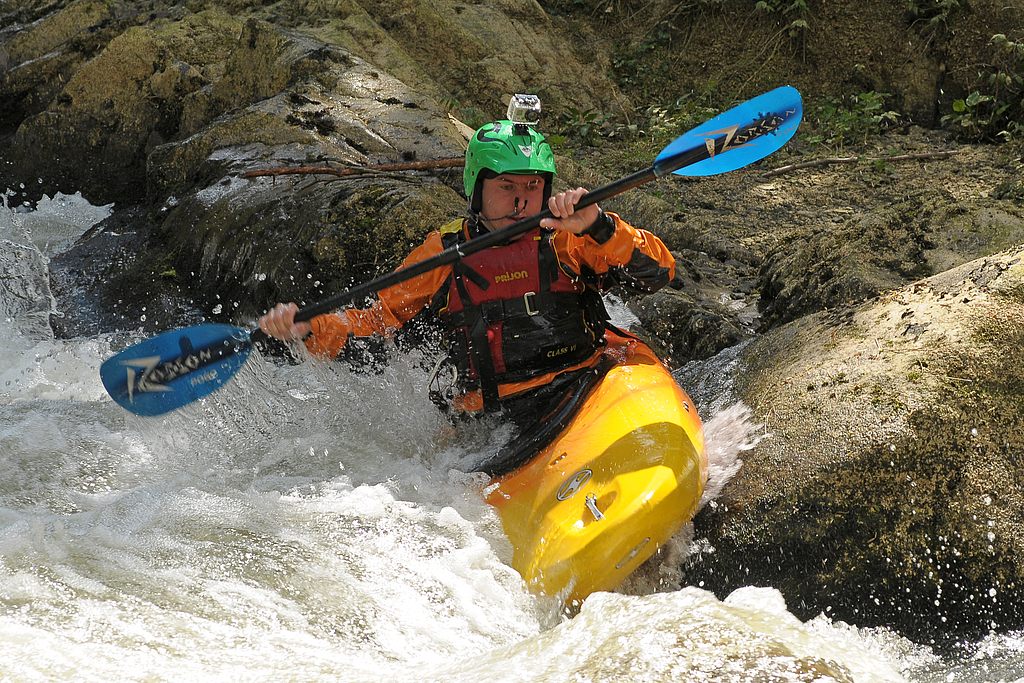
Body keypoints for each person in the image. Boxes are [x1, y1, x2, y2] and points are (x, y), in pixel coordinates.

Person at [258, 116, 676, 474]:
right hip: (499, 418)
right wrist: (309, 329)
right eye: (506, 186)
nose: (520, 200)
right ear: (477, 190)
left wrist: (600, 227)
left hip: (586, 380)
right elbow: (374, 322)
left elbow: (658, 273)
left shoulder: (570, 237)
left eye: (533, 187)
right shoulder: (443, 254)